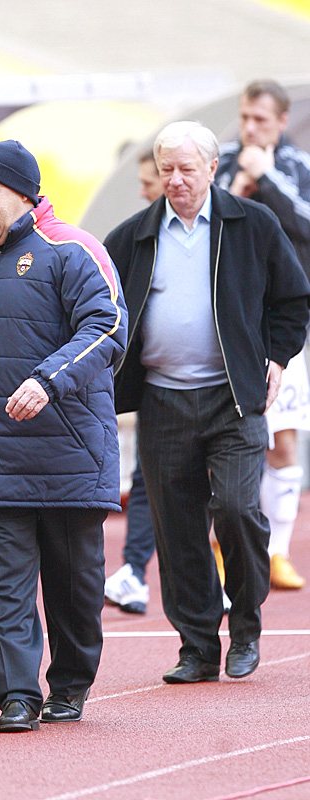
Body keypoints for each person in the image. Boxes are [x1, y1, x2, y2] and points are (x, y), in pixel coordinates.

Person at [105, 121, 310, 684]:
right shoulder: (132, 236)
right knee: (177, 530)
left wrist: (275, 358)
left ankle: (245, 624)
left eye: (186, 169)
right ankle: (197, 647)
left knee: (238, 510)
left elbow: (294, 300)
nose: (175, 179)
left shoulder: (253, 224)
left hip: (234, 398)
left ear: (213, 168)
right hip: (162, 401)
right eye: (166, 169)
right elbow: (102, 305)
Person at [0, 140, 128, 732]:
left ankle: (70, 685)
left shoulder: (73, 248)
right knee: (5, 586)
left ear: (26, 194)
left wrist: (47, 379)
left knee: (74, 587)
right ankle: (17, 697)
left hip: (68, 452)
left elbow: (108, 327)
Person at [215, 79, 310, 590]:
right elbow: (203, 226)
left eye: (261, 119)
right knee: (226, 443)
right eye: (245, 117)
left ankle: (277, 552)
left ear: (282, 120)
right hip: (227, 327)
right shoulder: (222, 162)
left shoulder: (298, 167)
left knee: (284, 440)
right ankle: (225, 547)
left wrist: (266, 178)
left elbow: (306, 226)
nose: (250, 128)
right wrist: (239, 186)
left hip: (284, 329)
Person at [104, 150, 161, 614]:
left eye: (149, 181)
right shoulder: (131, 237)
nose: (143, 191)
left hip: (224, 393)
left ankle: (223, 576)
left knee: (226, 494)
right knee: (148, 478)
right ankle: (134, 571)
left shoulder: (234, 226)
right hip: (159, 386)